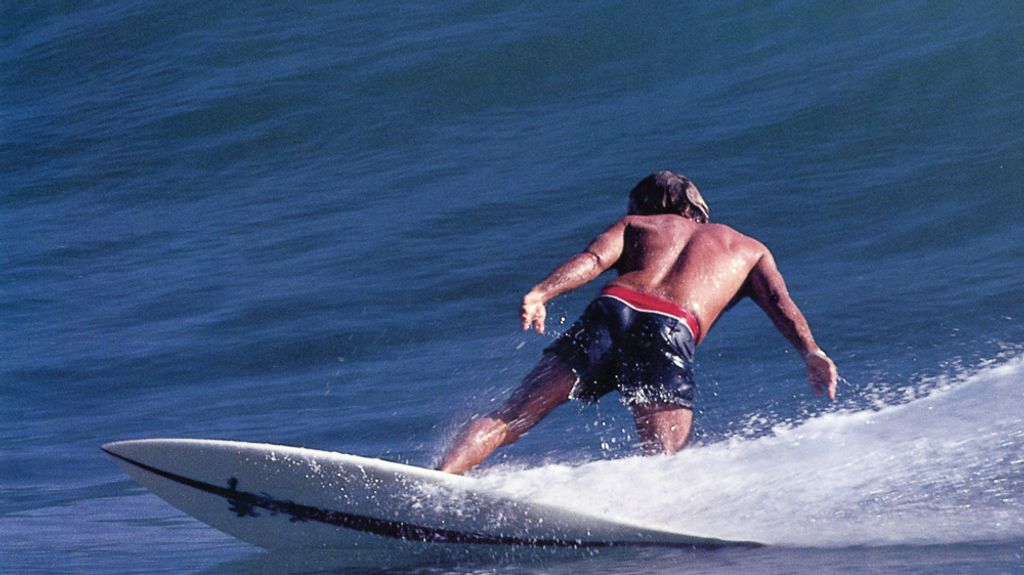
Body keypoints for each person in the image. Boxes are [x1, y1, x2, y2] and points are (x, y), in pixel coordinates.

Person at [437, 171, 838, 474]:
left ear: (645, 204)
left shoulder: (637, 226)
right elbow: (780, 303)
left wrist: (542, 292)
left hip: (613, 308)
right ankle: (660, 528)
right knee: (664, 460)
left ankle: (438, 482)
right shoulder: (749, 250)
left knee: (511, 416)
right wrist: (811, 351)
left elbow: (593, 261)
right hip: (672, 327)